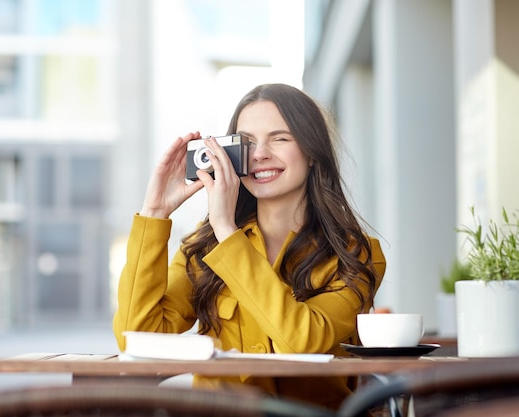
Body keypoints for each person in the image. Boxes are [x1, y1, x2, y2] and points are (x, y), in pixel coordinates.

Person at [113, 83, 386, 410]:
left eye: (280, 138)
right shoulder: (203, 247)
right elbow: (138, 337)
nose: (259, 154)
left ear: (313, 152)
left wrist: (228, 231)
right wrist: (154, 214)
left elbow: (303, 342)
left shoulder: (355, 255)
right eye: (247, 142)